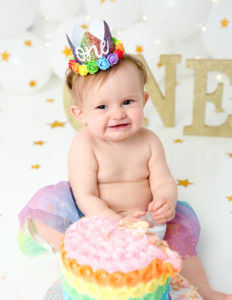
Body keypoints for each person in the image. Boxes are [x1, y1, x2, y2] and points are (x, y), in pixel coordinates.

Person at [18, 20, 231, 300]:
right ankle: (76, 260)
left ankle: (204, 290)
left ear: (143, 100)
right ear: (80, 113)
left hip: (146, 219)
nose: (117, 114)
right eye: (102, 107)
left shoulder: (149, 140)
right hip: (95, 218)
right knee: (48, 209)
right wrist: (113, 221)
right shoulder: (85, 144)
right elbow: (85, 194)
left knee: (181, 239)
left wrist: (164, 200)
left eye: (127, 102)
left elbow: (163, 179)